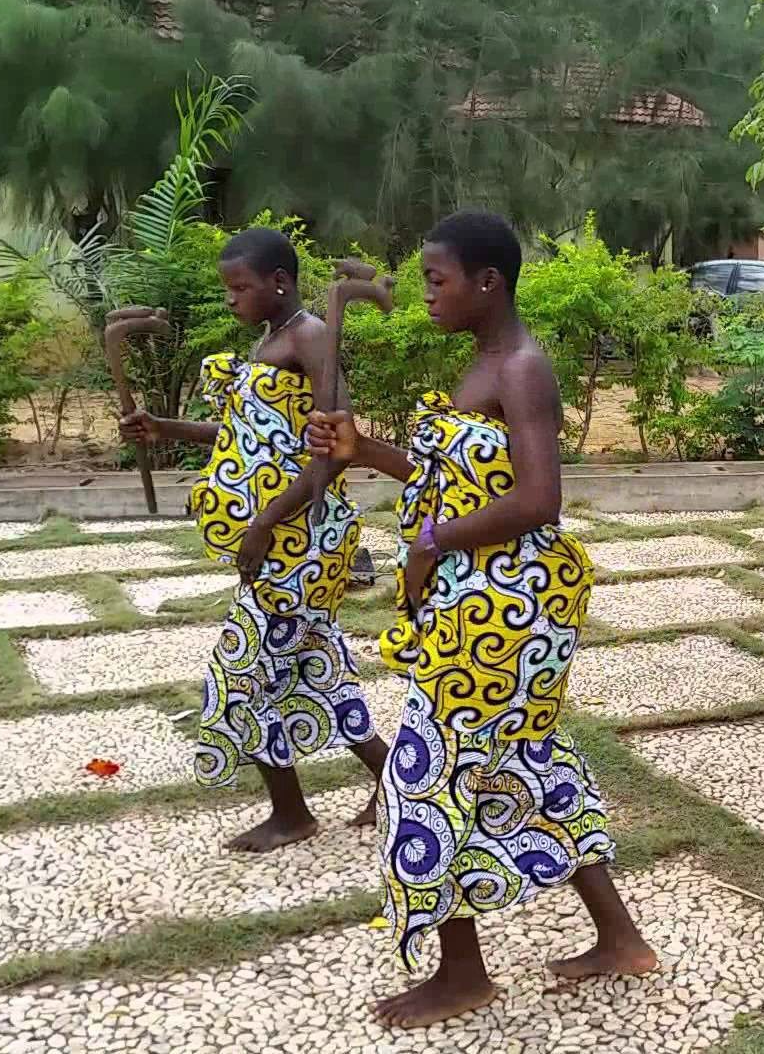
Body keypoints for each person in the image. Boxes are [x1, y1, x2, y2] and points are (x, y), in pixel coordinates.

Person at [305, 211, 656, 1028]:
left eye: (437, 279)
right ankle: (621, 939)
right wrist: (364, 449)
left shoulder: (523, 368)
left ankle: (463, 973)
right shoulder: (483, 364)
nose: (426, 294)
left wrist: (431, 541)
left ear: (487, 282)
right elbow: (445, 475)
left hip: (505, 609)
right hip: (479, 605)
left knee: (420, 779)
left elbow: (540, 500)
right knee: (530, 766)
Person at [117, 227, 388, 852]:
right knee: (316, 669)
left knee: (244, 672)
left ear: (280, 282)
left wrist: (265, 524)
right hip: (279, 537)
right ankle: (396, 781)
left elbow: (335, 447)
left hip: (305, 538)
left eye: (240, 288)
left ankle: (292, 814)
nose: (231, 299)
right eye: (227, 289)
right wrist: (163, 427)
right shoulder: (270, 340)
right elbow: (243, 436)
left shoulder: (312, 336)